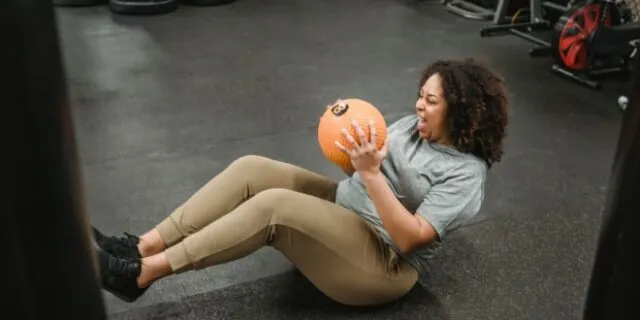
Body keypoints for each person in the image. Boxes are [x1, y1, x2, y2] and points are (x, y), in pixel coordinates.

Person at [94, 58, 509, 306]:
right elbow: (358, 173)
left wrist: (368, 173)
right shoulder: (409, 127)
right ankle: (144, 244)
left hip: (381, 264)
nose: (419, 104)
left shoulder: (465, 174)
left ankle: (142, 274)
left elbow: (410, 238)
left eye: (431, 100)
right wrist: (343, 139)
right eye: (420, 94)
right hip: (345, 211)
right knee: (252, 167)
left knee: (274, 206)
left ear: (462, 111)